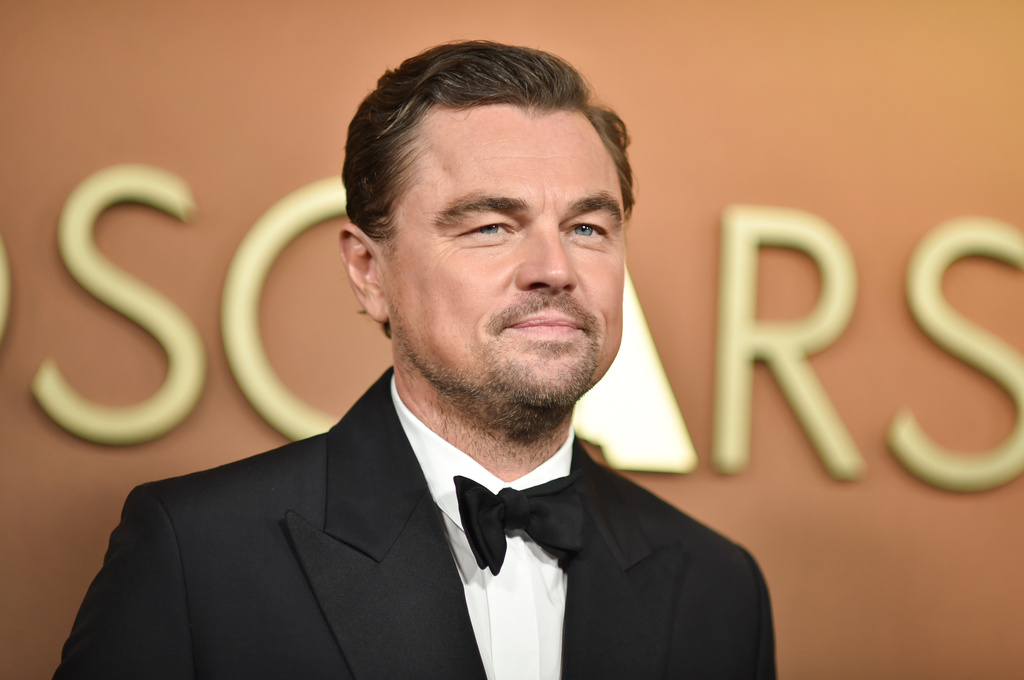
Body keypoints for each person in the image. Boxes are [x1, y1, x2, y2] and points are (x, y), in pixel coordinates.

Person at [54, 41, 775, 680]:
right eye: (492, 225)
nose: (555, 268)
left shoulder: (719, 586)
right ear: (369, 271)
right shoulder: (197, 553)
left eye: (587, 227)